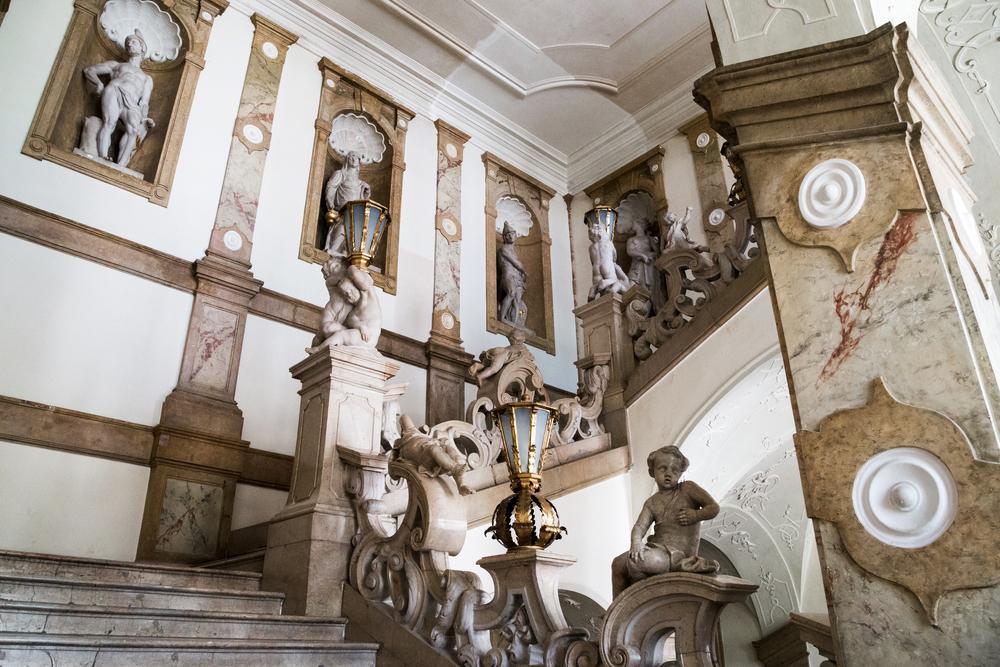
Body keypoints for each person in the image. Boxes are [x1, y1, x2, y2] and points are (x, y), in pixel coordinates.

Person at [611, 445, 720, 598]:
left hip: (678, 556)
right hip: (657, 549)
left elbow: (714, 508)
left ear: (680, 473)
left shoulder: (687, 489)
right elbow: (639, 527)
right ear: (652, 471)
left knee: (636, 562)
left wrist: (696, 515)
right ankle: (616, 608)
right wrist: (636, 542)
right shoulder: (652, 502)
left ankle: (638, 601)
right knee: (617, 564)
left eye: (674, 470)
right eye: (663, 469)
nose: (668, 474)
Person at [81, 30, 155, 168]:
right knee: (109, 123)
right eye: (128, 43)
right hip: (114, 90)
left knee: (133, 131)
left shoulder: (147, 78)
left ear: (142, 47)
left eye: (133, 42)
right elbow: (89, 71)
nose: (129, 45)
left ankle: (120, 166)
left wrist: (144, 118)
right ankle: (103, 156)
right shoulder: (117, 65)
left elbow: (144, 102)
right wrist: (99, 84)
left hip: (132, 103)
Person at [395, 415, 473, 495]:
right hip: (425, 457)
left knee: (457, 457)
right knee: (433, 449)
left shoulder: (420, 434)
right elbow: (395, 464)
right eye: (405, 422)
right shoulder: (401, 445)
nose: (409, 424)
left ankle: (461, 485)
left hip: (436, 448)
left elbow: (431, 440)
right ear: (402, 427)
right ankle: (455, 468)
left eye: (409, 421)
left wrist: (440, 442)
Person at [497, 222, 528, 327]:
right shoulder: (504, 249)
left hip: (517, 278)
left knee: (516, 302)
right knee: (511, 292)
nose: (510, 236)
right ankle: (501, 318)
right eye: (507, 234)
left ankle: (514, 323)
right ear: (504, 237)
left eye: (512, 233)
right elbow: (516, 263)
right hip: (507, 276)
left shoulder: (514, 250)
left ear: (515, 235)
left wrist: (522, 276)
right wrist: (524, 271)